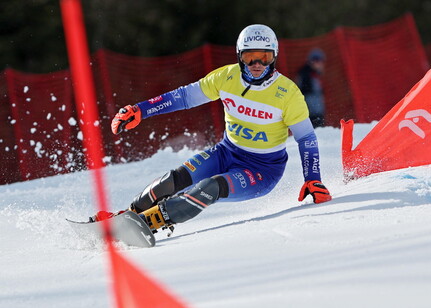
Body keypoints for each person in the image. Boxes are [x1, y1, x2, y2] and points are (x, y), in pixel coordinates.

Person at [92, 25, 332, 234]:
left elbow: (307, 138)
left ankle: (146, 224)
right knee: (171, 181)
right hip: (225, 153)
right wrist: (141, 110)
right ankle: (125, 216)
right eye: (250, 57)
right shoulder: (226, 77)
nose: (257, 65)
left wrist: (313, 179)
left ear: (274, 57)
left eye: (264, 57)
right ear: (240, 56)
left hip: (262, 169)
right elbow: (184, 97)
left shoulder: (288, 93)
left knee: (209, 188)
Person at [296, 48, 326, 128]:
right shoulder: (306, 74)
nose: (320, 64)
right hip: (311, 113)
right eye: (317, 61)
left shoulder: (313, 74)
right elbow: (304, 93)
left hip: (315, 111)